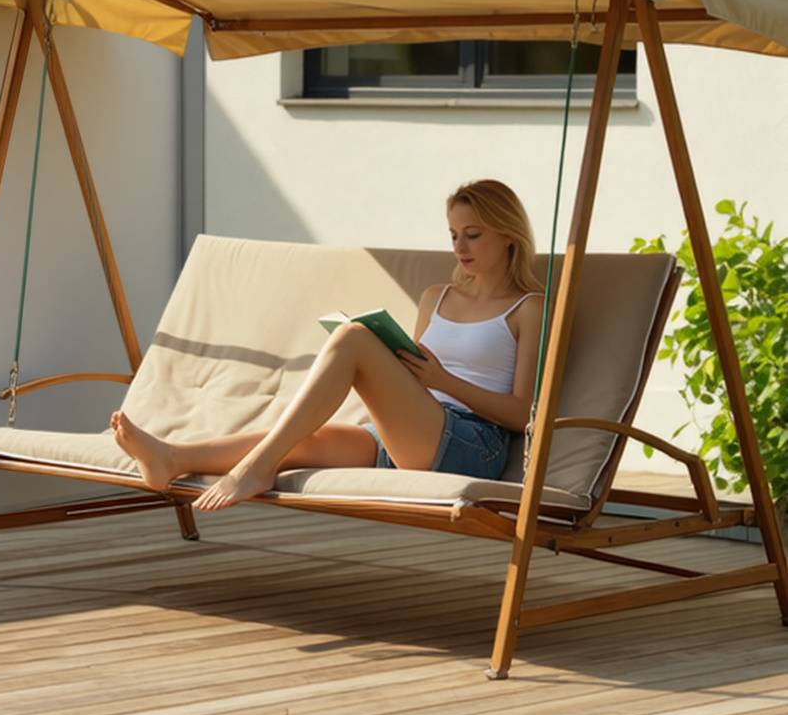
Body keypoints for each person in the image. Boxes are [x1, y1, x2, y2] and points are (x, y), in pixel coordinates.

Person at [110, 179, 545, 512]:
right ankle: (171, 457)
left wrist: (442, 379)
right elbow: (411, 383)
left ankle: (256, 468)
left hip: (473, 443)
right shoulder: (437, 296)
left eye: (473, 234)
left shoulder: (528, 308)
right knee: (306, 439)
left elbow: (522, 413)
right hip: (415, 431)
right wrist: (408, 368)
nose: (459, 247)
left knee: (353, 338)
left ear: (508, 234)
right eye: (453, 234)